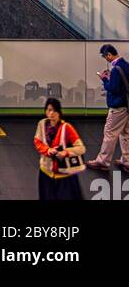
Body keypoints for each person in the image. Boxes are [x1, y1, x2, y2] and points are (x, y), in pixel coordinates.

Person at [86, 43, 129, 173]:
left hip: (118, 107)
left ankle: (102, 161)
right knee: (126, 134)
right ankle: (127, 161)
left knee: (110, 133)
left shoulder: (116, 69)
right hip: (127, 106)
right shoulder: (126, 65)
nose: (106, 59)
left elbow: (114, 89)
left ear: (109, 54)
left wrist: (104, 79)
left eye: (106, 57)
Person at [34, 97, 85, 200]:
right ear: (45, 111)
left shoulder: (67, 128)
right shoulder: (42, 124)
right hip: (46, 173)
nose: (52, 113)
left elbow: (81, 148)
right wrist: (48, 150)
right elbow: (37, 142)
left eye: (55, 110)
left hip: (64, 176)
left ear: (59, 112)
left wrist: (65, 152)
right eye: (49, 110)